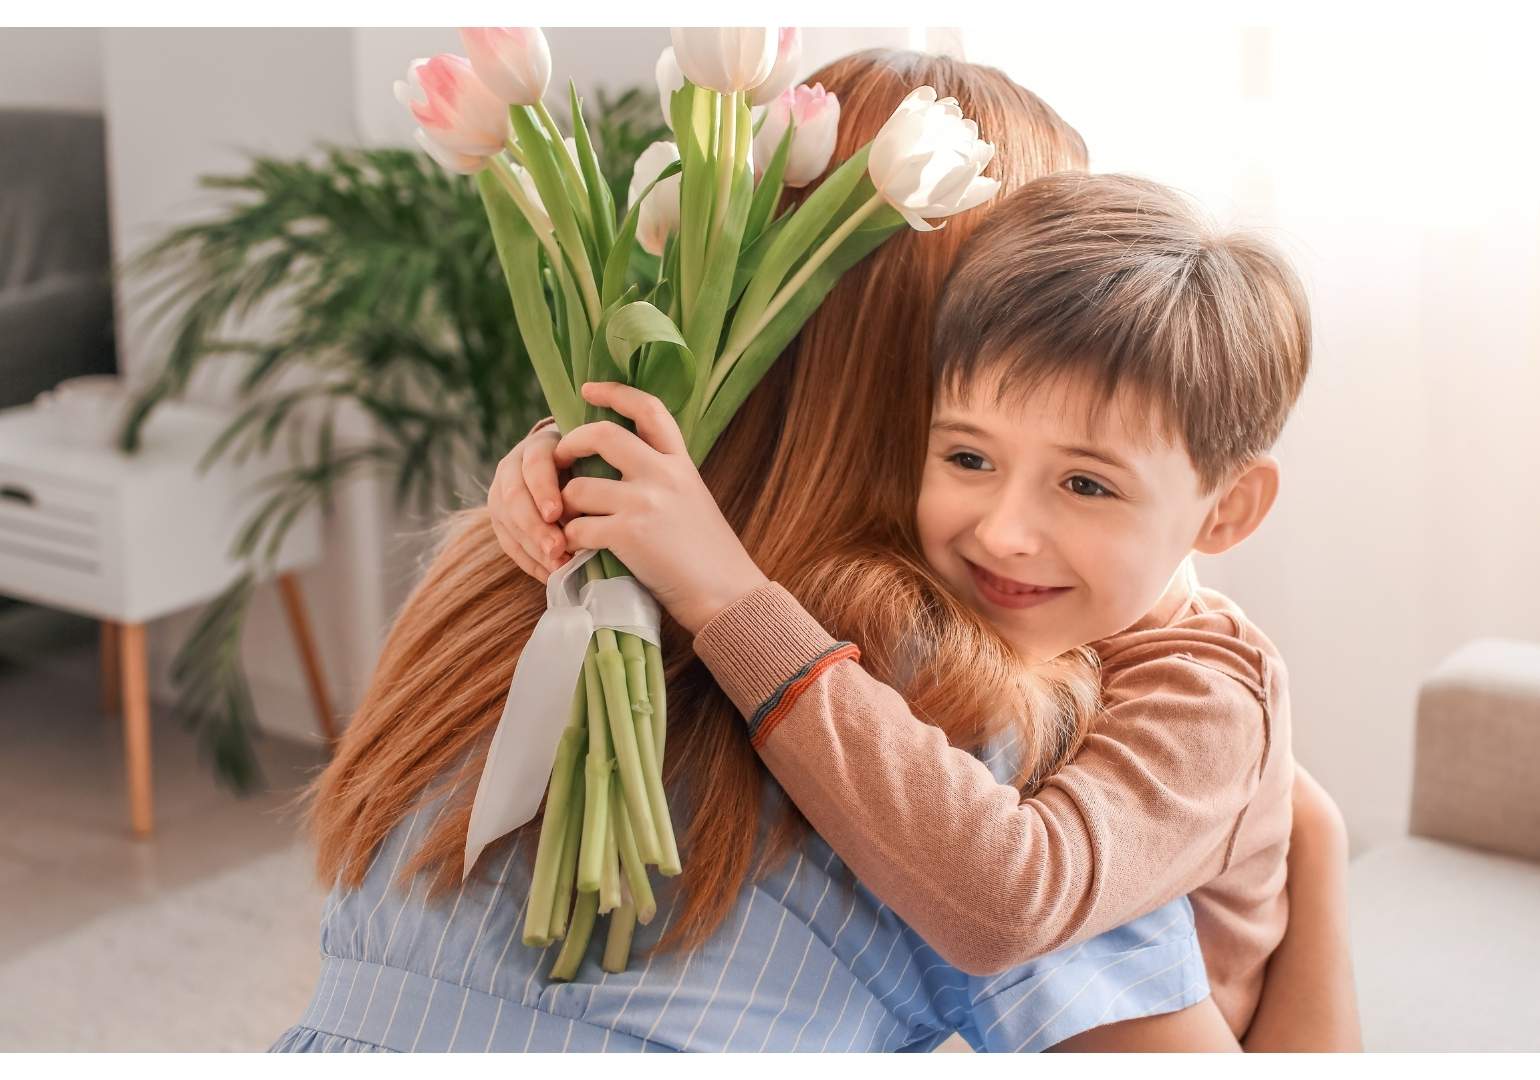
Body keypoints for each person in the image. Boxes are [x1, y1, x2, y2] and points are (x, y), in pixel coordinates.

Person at [276, 51, 1346, 1054]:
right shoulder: (970, 711)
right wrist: (1317, 840)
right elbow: (1016, 898)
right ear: (951, 354)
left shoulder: (510, 559)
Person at [492, 175, 1360, 1047]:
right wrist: (562, 465)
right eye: (969, 458)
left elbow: (1008, 902)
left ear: (1228, 511)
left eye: (1086, 484)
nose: (1005, 532)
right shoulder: (996, 594)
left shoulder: (1209, 696)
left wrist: (726, 597)